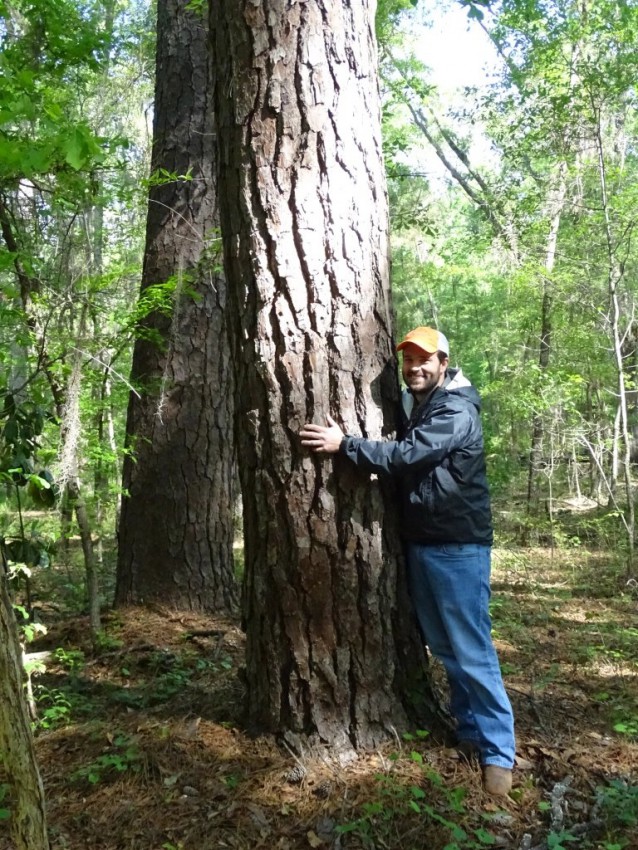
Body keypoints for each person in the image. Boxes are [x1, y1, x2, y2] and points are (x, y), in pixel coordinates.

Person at [300, 326, 515, 796]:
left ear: (443, 362)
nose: (415, 366)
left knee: (472, 650)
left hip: (457, 546)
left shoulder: (455, 409)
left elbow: (411, 455)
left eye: (424, 359)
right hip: (423, 544)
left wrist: (347, 446)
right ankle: (469, 733)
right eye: (409, 360)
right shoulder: (421, 404)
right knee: (445, 648)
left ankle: (500, 753)